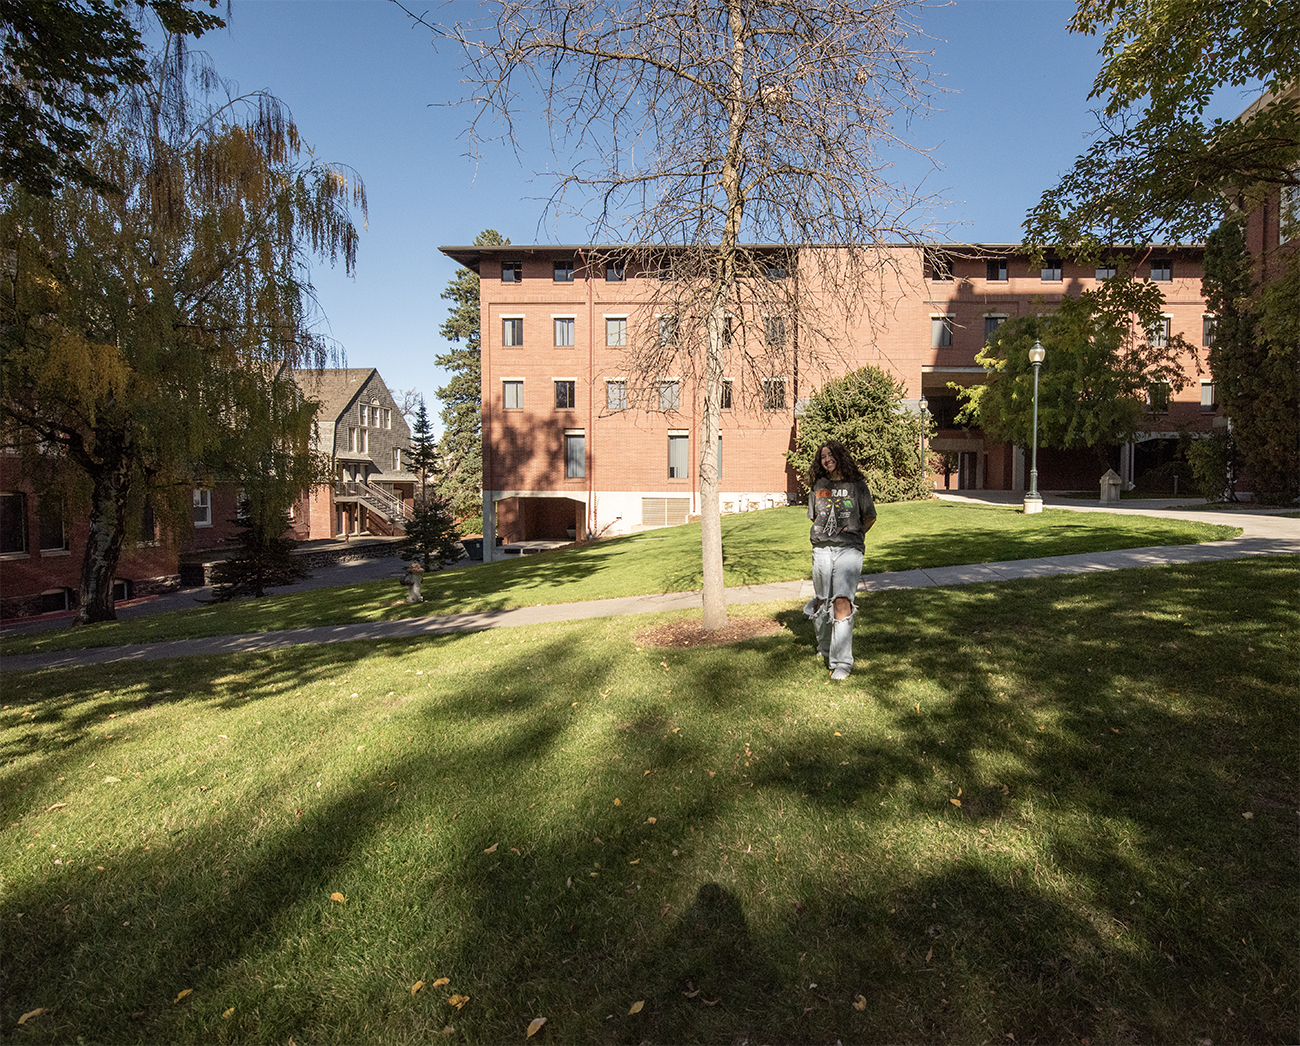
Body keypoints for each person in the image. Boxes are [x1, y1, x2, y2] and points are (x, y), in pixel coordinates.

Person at [803, 440, 876, 680]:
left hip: (849, 549)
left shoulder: (857, 485)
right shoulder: (819, 485)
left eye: (830, 454)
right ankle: (825, 647)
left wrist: (855, 535)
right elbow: (814, 516)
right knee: (823, 600)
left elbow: (870, 516)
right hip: (822, 548)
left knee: (842, 599)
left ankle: (842, 662)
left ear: (840, 456)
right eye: (822, 456)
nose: (826, 459)